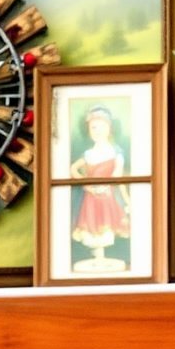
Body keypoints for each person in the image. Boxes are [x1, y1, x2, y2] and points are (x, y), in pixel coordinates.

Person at [71, 105, 131, 270]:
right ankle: (97, 258)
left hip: (107, 196)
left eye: (102, 126)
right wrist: (86, 184)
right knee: (91, 226)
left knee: (106, 226)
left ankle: (102, 258)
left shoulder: (116, 152)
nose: (98, 130)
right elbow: (73, 169)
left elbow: (118, 178)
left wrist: (127, 200)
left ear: (109, 128)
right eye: (93, 127)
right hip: (91, 197)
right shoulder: (88, 154)